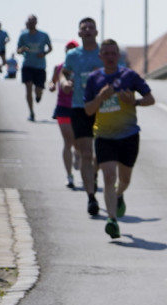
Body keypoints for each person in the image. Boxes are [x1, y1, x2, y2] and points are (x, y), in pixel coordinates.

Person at [84, 38, 154, 239]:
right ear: (100, 56)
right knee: (108, 177)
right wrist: (101, 97)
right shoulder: (93, 79)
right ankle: (112, 220)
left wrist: (136, 102)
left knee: (124, 180)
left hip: (129, 135)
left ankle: (119, 194)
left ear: (119, 55)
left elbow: (151, 99)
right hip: (104, 136)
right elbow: (88, 110)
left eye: (113, 53)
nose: (110, 57)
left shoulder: (129, 76)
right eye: (105, 53)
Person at [60, 18, 102, 217]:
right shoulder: (72, 55)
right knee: (86, 152)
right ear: (79, 33)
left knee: (100, 155)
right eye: (83, 28)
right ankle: (91, 198)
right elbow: (64, 73)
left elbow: (119, 74)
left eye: (90, 28)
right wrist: (64, 82)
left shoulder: (104, 54)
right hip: (79, 107)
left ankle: (94, 175)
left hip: (104, 109)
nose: (87, 30)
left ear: (96, 32)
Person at [49, 40, 81, 189]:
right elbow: (53, 82)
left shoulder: (82, 67)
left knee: (78, 143)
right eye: (68, 49)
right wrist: (51, 86)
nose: (70, 51)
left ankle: (78, 153)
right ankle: (69, 176)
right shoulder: (60, 67)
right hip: (63, 107)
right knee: (67, 141)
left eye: (73, 49)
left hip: (79, 107)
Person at [16, 15, 52, 121]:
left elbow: (50, 48)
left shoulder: (43, 35)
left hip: (40, 66)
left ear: (36, 22)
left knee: (38, 89)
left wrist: (44, 53)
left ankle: (39, 95)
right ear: (27, 22)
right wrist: (22, 49)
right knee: (28, 87)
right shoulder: (23, 36)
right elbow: (17, 50)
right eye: (29, 21)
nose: (31, 23)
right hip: (27, 65)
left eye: (33, 21)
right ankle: (31, 112)